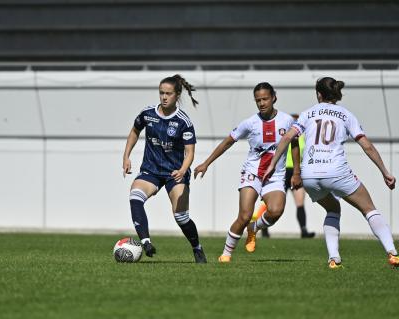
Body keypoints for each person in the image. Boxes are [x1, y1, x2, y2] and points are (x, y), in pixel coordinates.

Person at [263, 76, 399, 269]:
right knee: (369, 208)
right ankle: (392, 253)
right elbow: (367, 146)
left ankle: (334, 259)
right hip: (336, 172)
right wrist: (385, 172)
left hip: (309, 176)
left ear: (318, 94)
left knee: (333, 209)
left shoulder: (307, 114)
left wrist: (272, 165)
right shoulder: (345, 114)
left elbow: (286, 138)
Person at [194, 82, 299, 262]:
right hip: (253, 173)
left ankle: (254, 228)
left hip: (276, 176)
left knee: (276, 211)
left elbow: (295, 144)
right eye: (258, 100)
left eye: (265, 99)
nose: (261, 103)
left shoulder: (287, 120)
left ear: (274, 97)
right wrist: (206, 163)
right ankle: (226, 255)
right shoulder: (250, 123)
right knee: (244, 215)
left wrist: (296, 171)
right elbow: (227, 142)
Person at [122, 74, 207, 263]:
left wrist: (184, 169)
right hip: (151, 170)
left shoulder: (184, 121)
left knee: (181, 216)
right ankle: (145, 242)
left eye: (168, 93)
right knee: (135, 196)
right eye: (161, 93)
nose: (164, 97)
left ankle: (197, 247)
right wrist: (126, 156)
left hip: (175, 173)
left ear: (177, 95)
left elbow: (190, 152)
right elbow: (135, 131)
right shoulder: (148, 114)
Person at [260, 114, 315, 239]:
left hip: (296, 172)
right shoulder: (283, 135)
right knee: (272, 202)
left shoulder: (303, 138)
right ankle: (264, 228)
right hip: (283, 172)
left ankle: (304, 230)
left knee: (300, 202)